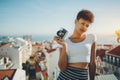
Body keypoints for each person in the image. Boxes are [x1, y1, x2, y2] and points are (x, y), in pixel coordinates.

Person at [54, 9, 96, 80]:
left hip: (83, 77)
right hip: (64, 77)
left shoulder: (91, 38)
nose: (84, 27)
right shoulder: (65, 42)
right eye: (82, 23)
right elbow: (62, 68)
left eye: (87, 25)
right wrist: (64, 47)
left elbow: (92, 64)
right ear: (76, 21)